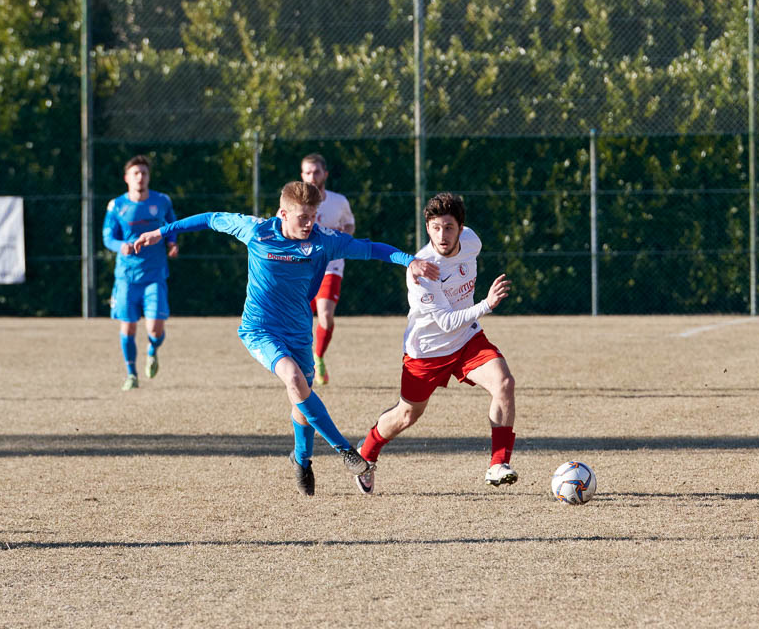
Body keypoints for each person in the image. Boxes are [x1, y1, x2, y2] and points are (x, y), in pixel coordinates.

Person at [133, 181, 438, 497]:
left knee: (301, 399)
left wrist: (409, 260)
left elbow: (371, 248)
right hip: (259, 329)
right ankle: (346, 451)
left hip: (298, 331)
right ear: (283, 214)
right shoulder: (256, 231)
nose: (309, 224)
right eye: (303, 217)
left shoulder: (323, 241)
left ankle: (302, 459)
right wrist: (162, 232)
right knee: (294, 379)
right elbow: (211, 218)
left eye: (313, 216)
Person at [354, 192, 517, 495]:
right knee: (407, 415)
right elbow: (445, 322)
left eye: (449, 227)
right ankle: (367, 451)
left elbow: (457, 322)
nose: (442, 236)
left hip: (466, 339)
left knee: (504, 383)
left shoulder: (472, 241)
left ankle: (498, 464)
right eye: (435, 228)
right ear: (427, 227)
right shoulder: (422, 270)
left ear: (461, 228)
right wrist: (486, 304)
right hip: (426, 351)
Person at [102, 154, 179, 391]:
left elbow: (172, 224)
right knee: (128, 327)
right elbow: (107, 237)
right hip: (127, 277)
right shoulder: (116, 206)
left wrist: (172, 242)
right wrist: (120, 246)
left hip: (154, 275)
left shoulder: (162, 201)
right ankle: (131, 374)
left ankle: (152, 349)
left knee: (155, 329)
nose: (140, 177)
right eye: (135, 173)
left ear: (149, 177)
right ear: (127, 178)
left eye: (144, 173)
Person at [299, 153, 355, 385]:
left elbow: (349, 224)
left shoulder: (338, 201)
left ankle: (318, 357)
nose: (312, 176)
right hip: (302, 269)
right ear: (302, 175)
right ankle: (302, 362)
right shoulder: (294, 203)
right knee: (299, 319)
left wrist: (344, 235)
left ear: (325, 174)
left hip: (331, 266)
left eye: (316, 172)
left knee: (326, 316)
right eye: (308, 172)